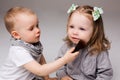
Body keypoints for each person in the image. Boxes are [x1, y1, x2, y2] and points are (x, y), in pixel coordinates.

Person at [0, 6, 79, 80]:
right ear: (16, 35)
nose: (37, 30)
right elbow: (40, 71)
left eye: (37, 25)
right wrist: (64, 59)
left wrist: (47, 78)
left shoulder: (32, 44)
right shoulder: (18, 51)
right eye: (31, 28)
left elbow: (40, 58)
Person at [56, 4, 113, 80]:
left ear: (95, 31)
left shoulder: (99, 51)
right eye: (71, 26)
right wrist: (63, 76)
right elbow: (59, 64)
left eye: (82, 29)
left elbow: (105, 73)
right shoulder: (67, 46)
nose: (75, 32)